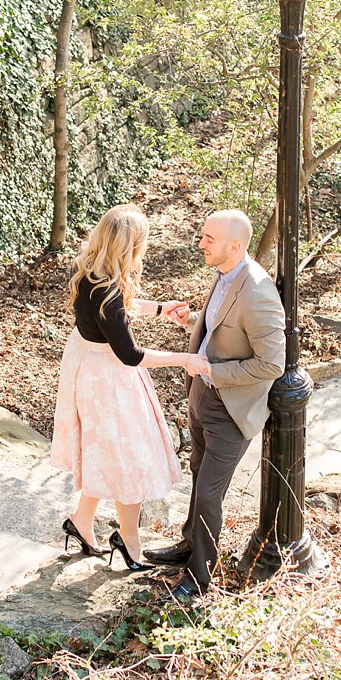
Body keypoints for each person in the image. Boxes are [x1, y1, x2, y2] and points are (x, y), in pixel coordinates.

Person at [52, 204, 209, 572]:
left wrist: (159, 308)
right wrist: (185, 359)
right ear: (129, 246)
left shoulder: (94, 272)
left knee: (104, 450)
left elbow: (119, 311)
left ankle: (82, 522)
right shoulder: (104, 290)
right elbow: (131, 354)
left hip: (90, 365)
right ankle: (130, 541)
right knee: (128, 456)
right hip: (106, 377)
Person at [148, 209, 285, 603]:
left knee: (209, 493)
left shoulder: (259, 292)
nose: (201, 243)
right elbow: (222, 327)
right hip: (201, 396)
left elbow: (272, 364)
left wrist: (213, 370)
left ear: (235, 246)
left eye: (209, 238)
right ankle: (189, 544)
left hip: (231, 409)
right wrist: (190, 319)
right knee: (197, 474)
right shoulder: (225, 275)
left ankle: (199, 579)